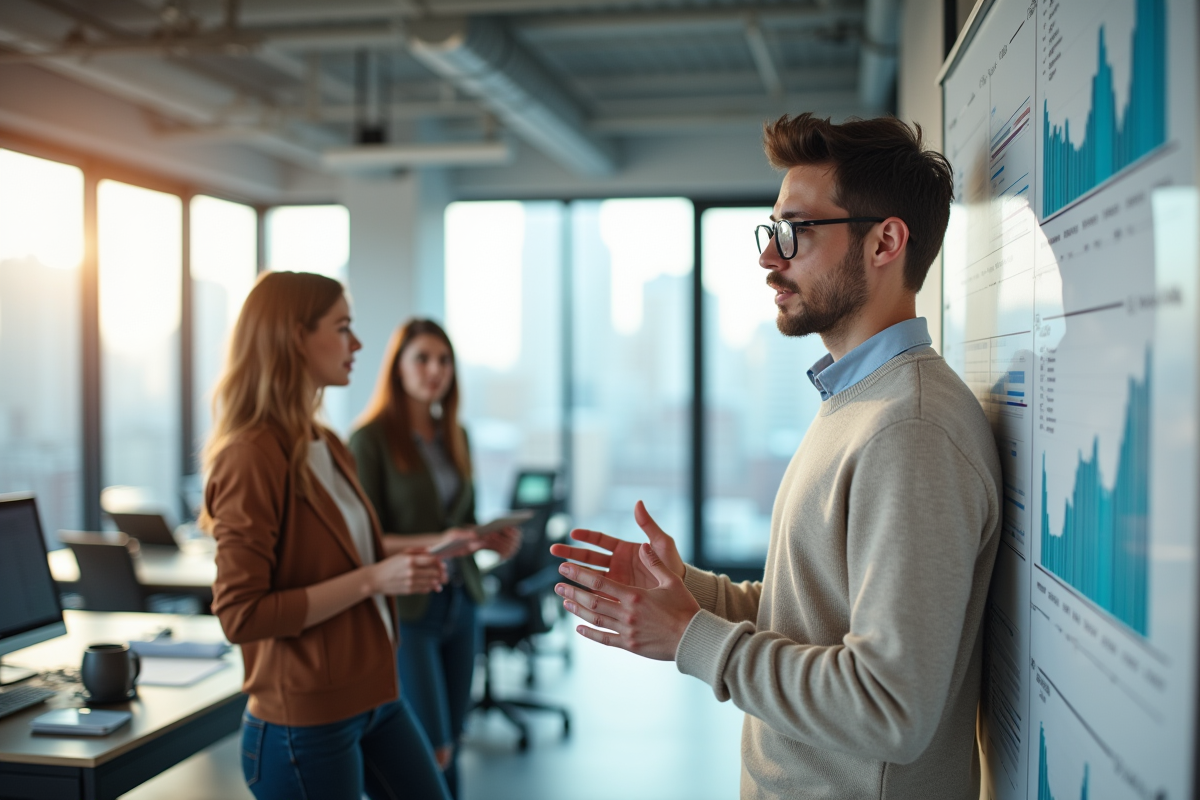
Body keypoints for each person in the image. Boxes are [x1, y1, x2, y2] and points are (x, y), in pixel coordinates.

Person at [551, 114, 1003, 799]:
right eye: (771, 232)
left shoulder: (909, 430)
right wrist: (686, 590)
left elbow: (890, 706)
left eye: (795, 231)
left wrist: (692, 639)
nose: (770, 257)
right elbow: (815, 612)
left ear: (885, 241)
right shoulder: (857, 403)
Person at [201, 272, 451, 800]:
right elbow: (241, 614)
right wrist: (371, 580)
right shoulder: (250, 456)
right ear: (295, 338)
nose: (357, 343)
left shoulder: (326, 444)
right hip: (306, 721)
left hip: (377, 695)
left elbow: (352, 553)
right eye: (342, 328)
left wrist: (423, 553)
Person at [350, 318, 521, 797]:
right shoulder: (370, 440)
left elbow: (462, 521)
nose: (434, 370)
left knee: (454, 741)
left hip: (461, 602)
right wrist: (439, 537)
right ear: (398, 368)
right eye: (422, 358)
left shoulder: (456, 436)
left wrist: (486, 539)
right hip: (410, 611)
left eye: (443, 360)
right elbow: (363, 541)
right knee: (433, 748)